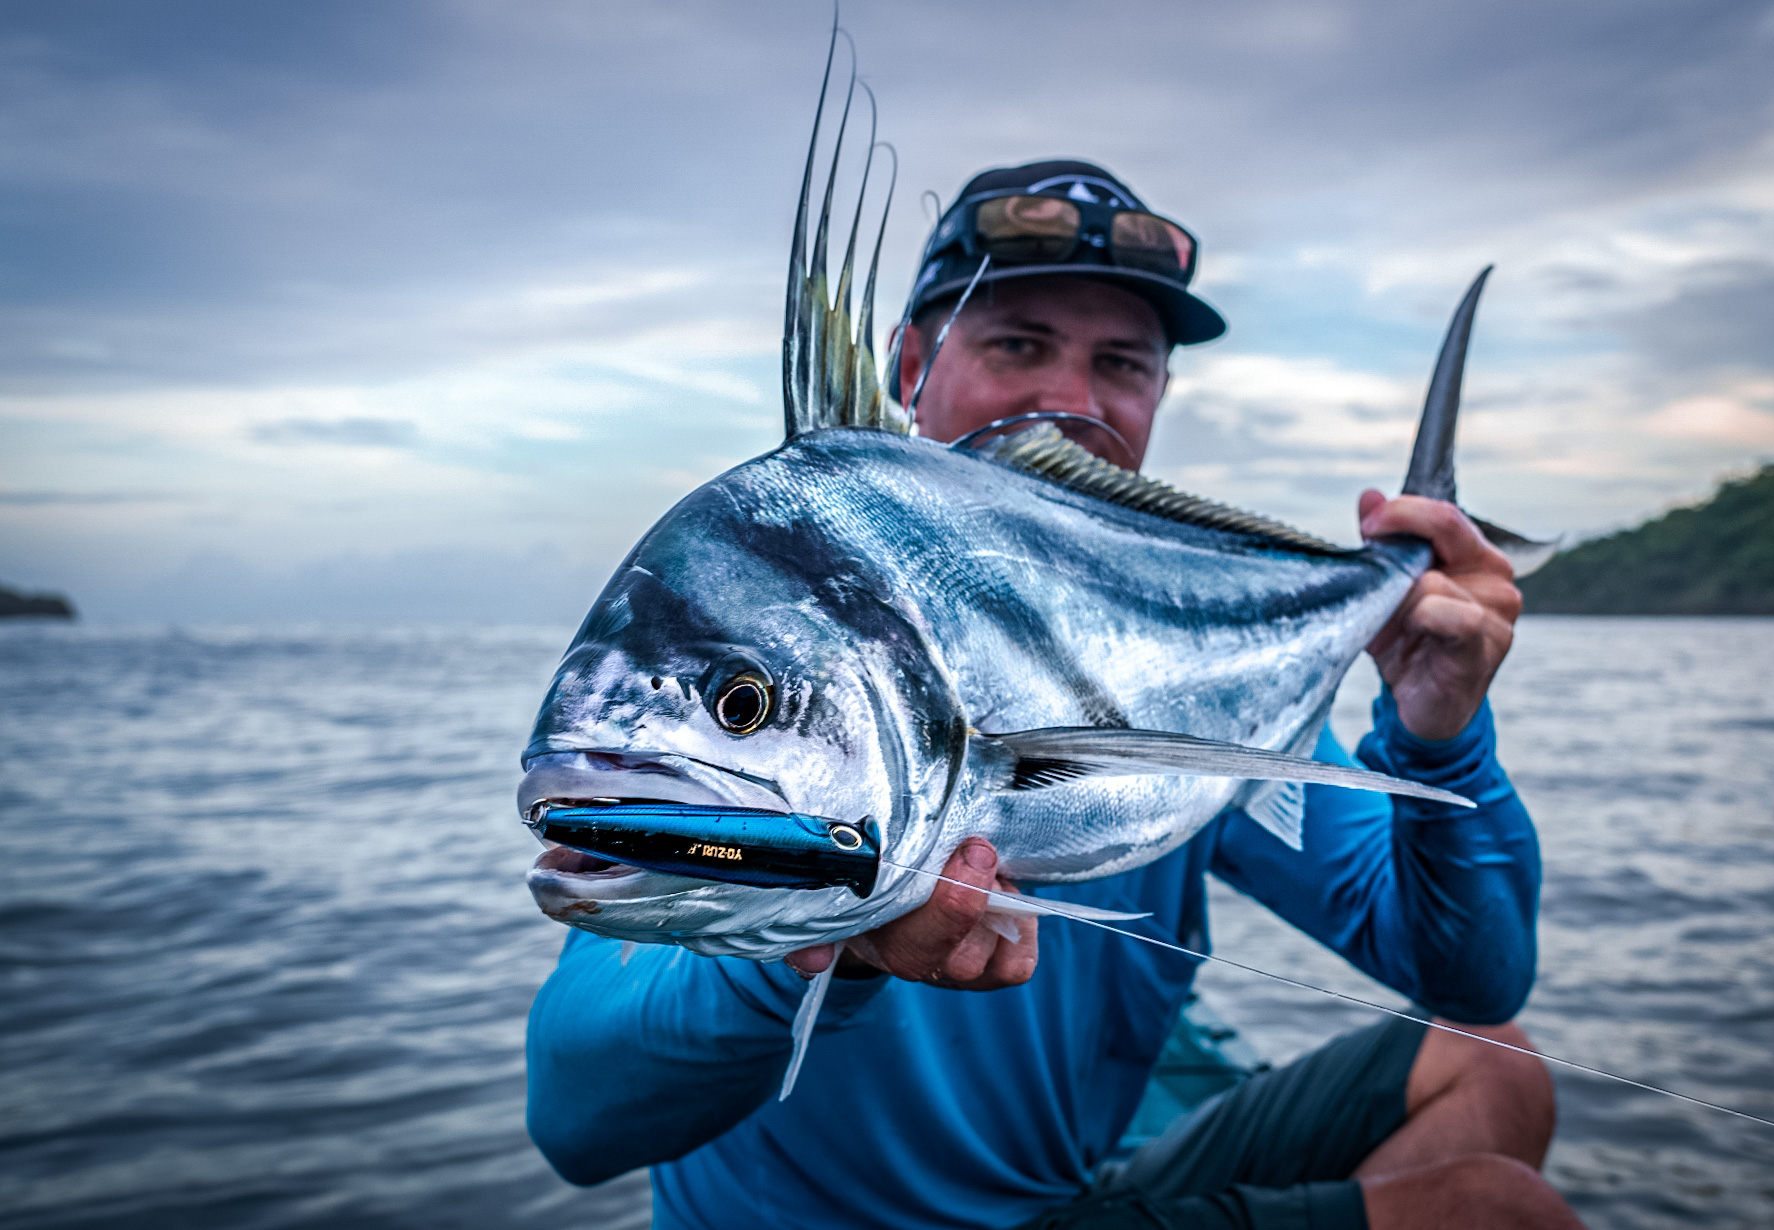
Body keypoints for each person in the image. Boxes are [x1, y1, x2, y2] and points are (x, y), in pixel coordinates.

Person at [526, 160, 1584, 1230]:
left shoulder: (1181, 657)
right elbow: (576, 1123)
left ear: (1160, 394)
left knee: (1494, 1067)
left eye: (1120, 363)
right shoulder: (765, 654)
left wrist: (1438, 731)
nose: (1071, 405)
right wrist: (818, 947)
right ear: (907, 363)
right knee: (1498, 1214)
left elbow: (1471, 975)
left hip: (1059, 1208)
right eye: (1017, 345)